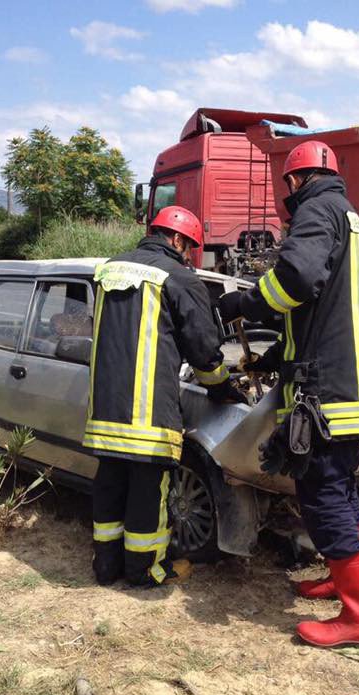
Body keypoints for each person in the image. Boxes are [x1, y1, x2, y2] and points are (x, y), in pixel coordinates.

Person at [218, 140, 359, 649]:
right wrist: (277, 359)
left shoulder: (318, 210)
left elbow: (293, 280)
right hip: (354, 381)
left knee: (323, 493)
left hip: (332, 391)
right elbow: (323, 311)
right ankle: (344, 585)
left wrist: (245, 304)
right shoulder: (351, 218)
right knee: (338, 491)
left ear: (295, 183)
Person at [84, 205, 246, 588]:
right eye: (189, 247)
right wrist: (223, 388)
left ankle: (106, 567)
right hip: (148, 414)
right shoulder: (178, 279)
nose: (189, 254)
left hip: (104, 408)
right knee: (146, 494)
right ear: (176, 240)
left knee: (109, 486)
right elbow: (204, 351)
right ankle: (145, 572)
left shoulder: (108, 270)